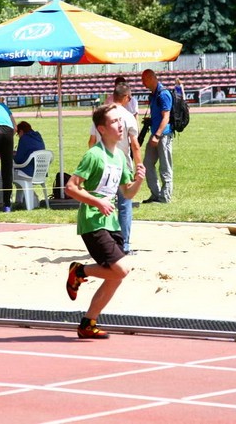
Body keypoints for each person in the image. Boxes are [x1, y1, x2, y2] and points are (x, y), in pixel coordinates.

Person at [65, 104, 146, 339]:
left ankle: (87, 323)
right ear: (101, 129)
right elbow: (71, 187)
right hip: (92, 221)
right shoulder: (93, 155)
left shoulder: (120, 156)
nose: (120, 125)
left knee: (115, 277)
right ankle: (79, 270)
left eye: (120, 121)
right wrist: (97, 202)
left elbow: (127, 193)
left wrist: (139, 181)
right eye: (114, 122)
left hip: (112, 223)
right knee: (121, 269)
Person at [88, 83, 142, 254]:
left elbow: (91, 141)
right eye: (130, 97)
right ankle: (124, 245)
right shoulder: (128, 116)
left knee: (103, 203)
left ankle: (104, 242)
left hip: (102, 164)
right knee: (124, 204)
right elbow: (135, 145)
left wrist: (93, 162)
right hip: (122, 164)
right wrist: (138, 166)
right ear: (125, 97)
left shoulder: (102, 115)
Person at [141, 69, 173, 203]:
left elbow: (166, 117)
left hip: (163, 135)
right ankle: (155, 194)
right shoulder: (153, 95)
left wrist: (157, 135)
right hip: (155, 134)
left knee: (165, 166)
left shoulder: (163, 94)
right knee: (147, 163)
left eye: (144, 80)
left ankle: (165, 197)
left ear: (151, 78)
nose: (143, 83)